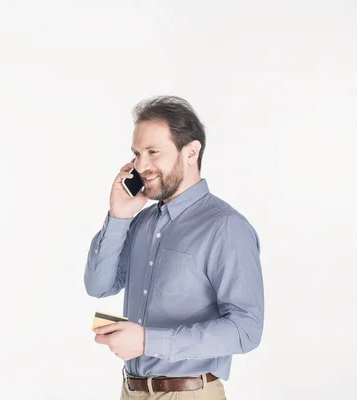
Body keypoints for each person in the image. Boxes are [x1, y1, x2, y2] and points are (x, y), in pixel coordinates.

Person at [84, 95, 264, 399]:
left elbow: (246, 330)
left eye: (153, 152)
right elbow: (98, 285)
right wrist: (118, 217)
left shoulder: (225, 227)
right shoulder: (139, 223)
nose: (141, 166)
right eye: (137, 154)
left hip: (189, 393)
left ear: (191, 153)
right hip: (132, 390)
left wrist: (147, 342)